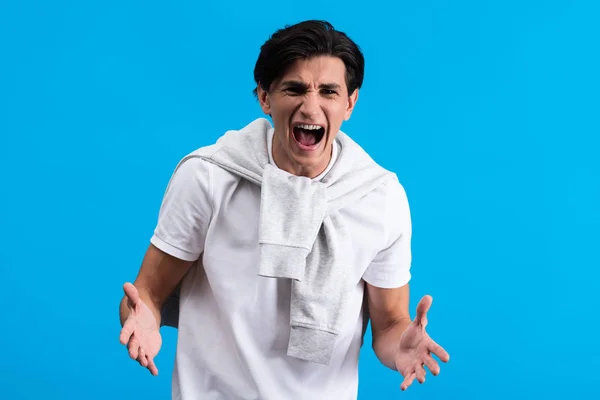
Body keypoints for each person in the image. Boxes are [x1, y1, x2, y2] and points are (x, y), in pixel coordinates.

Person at [118, 19, 450, 399]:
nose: (311, 107)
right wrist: (140, 320)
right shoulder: (208, 177)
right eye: (294, 89)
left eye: (328, 91)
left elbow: (390, 324)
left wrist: (401, 349)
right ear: (264, 97)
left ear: (350, 102)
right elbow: (149, 294)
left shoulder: (379, 197)